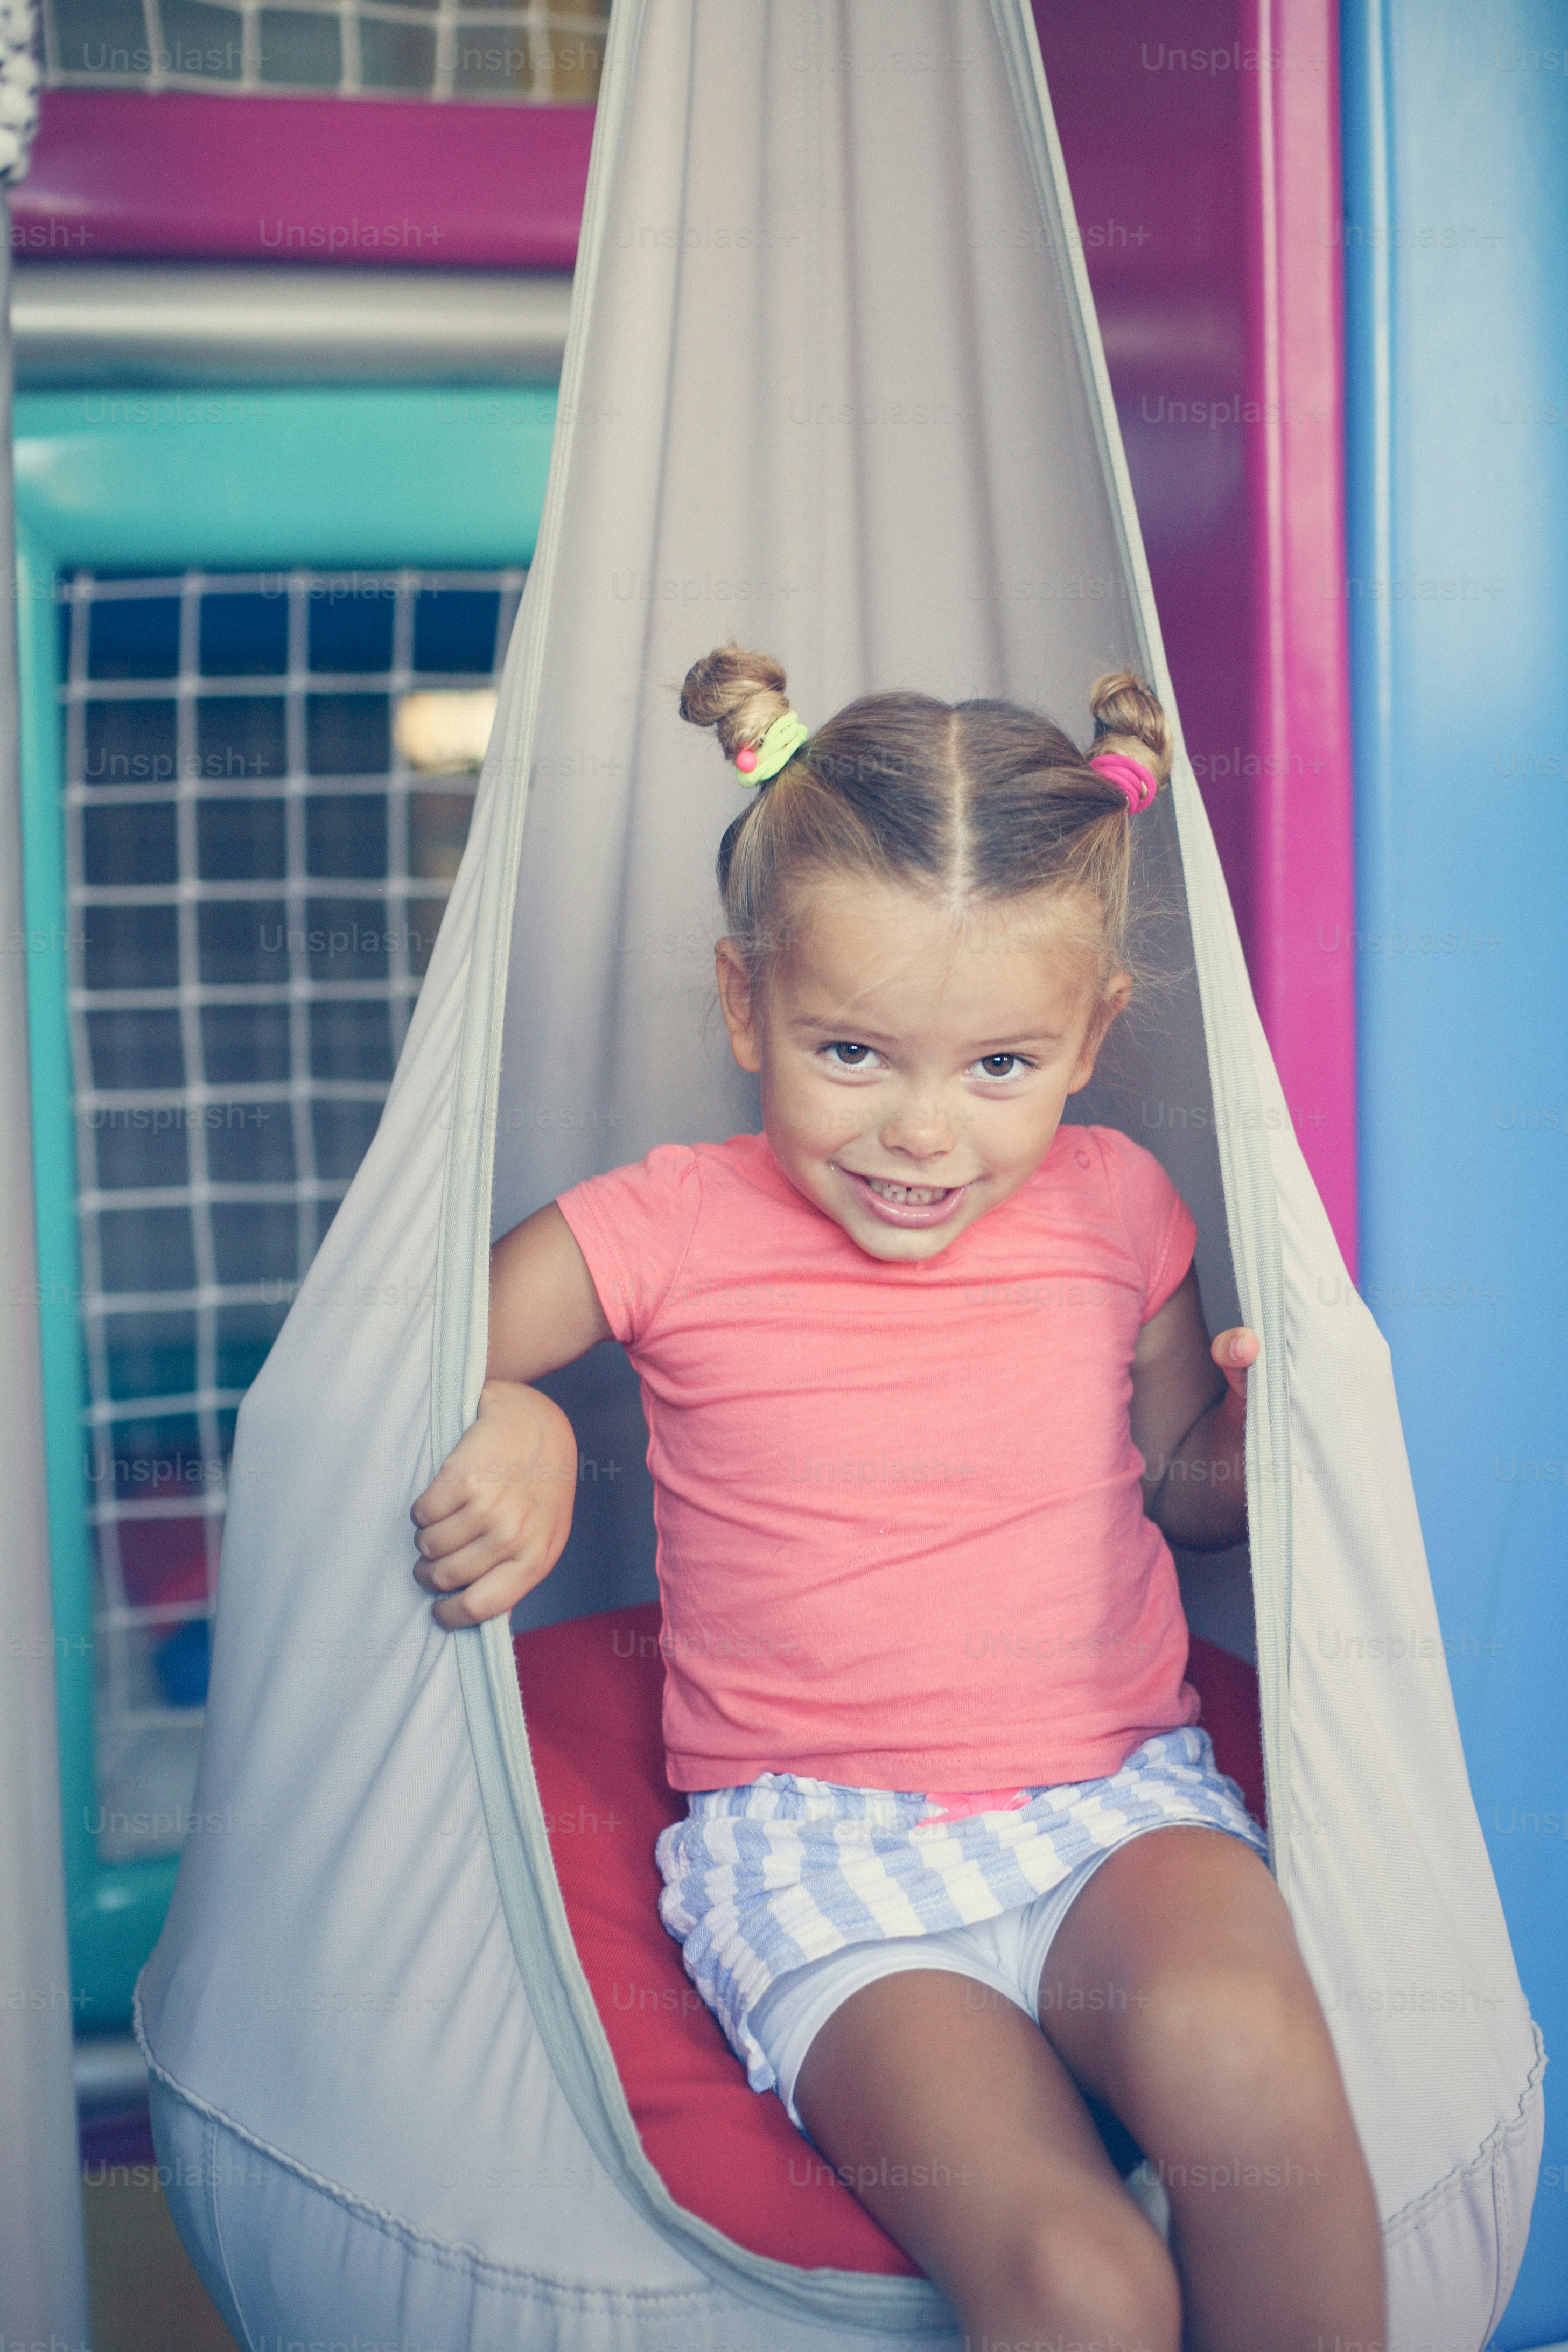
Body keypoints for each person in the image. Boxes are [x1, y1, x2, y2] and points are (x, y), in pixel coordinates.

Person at [410, 645, 1385, 2352]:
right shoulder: (667, 1223)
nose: (924, 1135)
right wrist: (522, 1420)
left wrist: (1267, 1433)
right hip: (820, 1854)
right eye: (851, 1051)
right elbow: (401, 1363)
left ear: (1091, 1037)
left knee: (1261, 2093)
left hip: (1112, 1806)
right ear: (743, 1008)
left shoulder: (1120, 1206)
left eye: (998, 1067)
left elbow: (1178, 1489)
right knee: (1083, 2285)